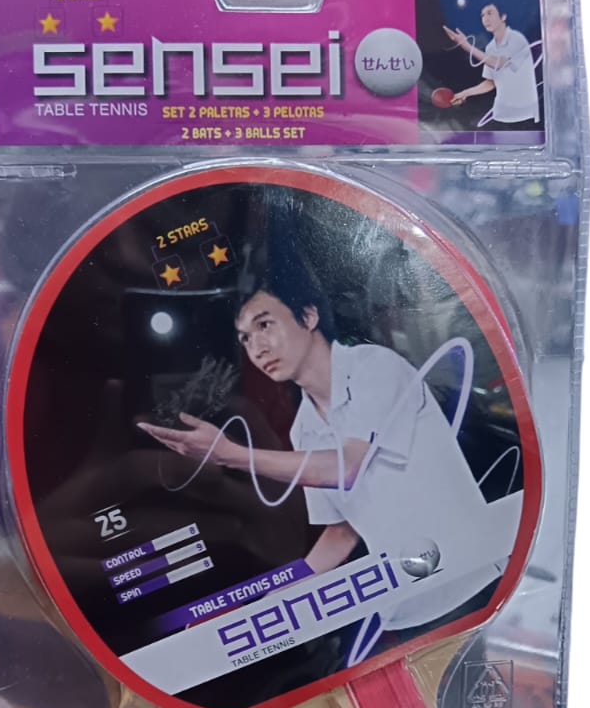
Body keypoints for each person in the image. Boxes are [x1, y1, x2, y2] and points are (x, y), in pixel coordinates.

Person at [137, 267, 497, 627]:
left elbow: (348, 468)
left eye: (265, 325)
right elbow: (341, 533)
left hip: (476, 585)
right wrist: (259, 609)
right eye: (245, 339)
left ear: (308, 317)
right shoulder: (304, 429)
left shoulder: (375, 368)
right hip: (405, 614)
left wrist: (230, 455)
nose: (257, 349)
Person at [441, 3, 540, 129]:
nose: (485, 19)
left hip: (524, 116)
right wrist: (465, 93)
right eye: (482, 15)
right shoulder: (490, 48)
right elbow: (491, 82)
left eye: (489, 13)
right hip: (501, 115)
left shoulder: (516, 39)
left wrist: (466, 46)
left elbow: (498, 64)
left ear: (503, 17)